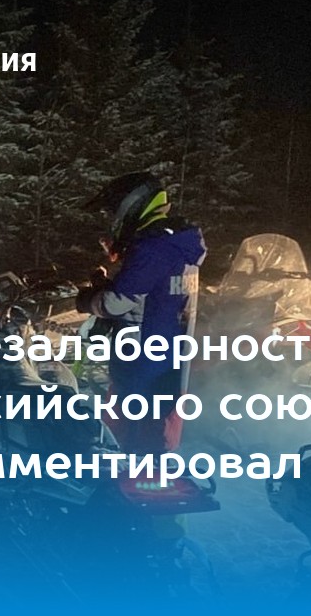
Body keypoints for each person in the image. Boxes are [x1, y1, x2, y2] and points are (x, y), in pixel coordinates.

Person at [77, 172, 206, 454]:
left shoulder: (153, 248)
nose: (113, 219)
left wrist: (87, 300)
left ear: (132, 205)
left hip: (141, 366)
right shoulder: (175, 246)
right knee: (151, 441)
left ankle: (127, 478)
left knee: (128, 448)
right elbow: (150, 294)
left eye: (114, 211)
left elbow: (116, 302)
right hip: (166, 360)